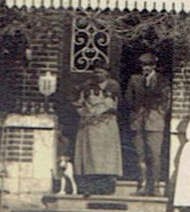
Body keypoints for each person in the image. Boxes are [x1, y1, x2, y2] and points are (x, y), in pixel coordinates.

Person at [124, 52, 171, 196]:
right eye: (143, 65)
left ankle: (155, 186)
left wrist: (158, 114)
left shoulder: (162, 81)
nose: (145, 68)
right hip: (138, 122)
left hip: (155, 123)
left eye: (148, 65)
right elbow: (128, 99)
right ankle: (142, 184)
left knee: (155, 155)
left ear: (154, 66)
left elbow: (166, 101)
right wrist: (136, 112)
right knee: (140, 155)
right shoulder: (135, 80)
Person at [71, 69, 123, 197]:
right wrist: (84, 114)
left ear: (107, 74)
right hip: (90, 127)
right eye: (96, 72)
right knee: (91, 156)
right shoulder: (87, 87)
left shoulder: (114, 87)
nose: (98, 74)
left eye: (102, 72)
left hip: (107, 126)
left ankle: (107, 186)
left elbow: (119, 105)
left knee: (107, 157)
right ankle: (90, 186)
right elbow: (76, 102)